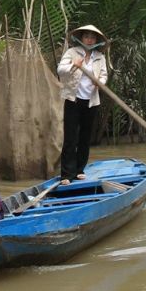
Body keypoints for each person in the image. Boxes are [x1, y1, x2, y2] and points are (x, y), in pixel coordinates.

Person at [57, 23, 109, 183]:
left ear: (96, 40)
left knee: (85, 137)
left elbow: (104, 75)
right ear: (81, 38)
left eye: (92, 37)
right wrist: (74, 65)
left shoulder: (100, 57)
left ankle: (79, 169)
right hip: (73, 99)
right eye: (87, 36)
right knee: (70, 137)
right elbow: (60, 70)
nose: (89, 40)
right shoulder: (72, 53)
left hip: (91, 102)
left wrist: (100, 82)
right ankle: (67, 174)